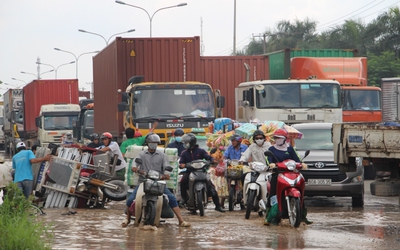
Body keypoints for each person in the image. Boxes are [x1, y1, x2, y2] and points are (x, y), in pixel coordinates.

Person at [121, 133, 191, 228]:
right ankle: (128, 219)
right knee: (130, 199)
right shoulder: (141, 154)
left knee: (172, 199)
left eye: (155, 143)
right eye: (152, 142)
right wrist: (136, 169)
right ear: (147, 143)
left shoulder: (162, 155)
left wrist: (166, 174)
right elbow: (135, 164)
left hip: (158, 181)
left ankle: (181, 220)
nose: (154, 144)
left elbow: (167, 167)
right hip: (143, 181)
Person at [265, 128, 312, 225]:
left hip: (291, 173)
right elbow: (268, 160)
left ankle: (302, 215)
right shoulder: (271, 149)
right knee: (273, 193)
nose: (278, 139)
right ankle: (269, 216)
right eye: (276, 138)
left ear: (284, 138)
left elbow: (297, 159)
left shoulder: (290, 148)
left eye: (280, 137)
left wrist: (302, 164)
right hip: (277, 173)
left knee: (302, 190)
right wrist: (271, 164)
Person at [179, 133, 225, 212]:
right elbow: (181, 163)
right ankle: (184, 198)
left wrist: (212, 160)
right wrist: (182, 165)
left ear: (192, 142)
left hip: (202, 171)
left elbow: (208, 157)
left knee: (212, 187)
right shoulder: (184, 153)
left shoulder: (200, 151)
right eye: (184, 143)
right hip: (190, 172)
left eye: (186, 143)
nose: (185, 145)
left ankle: (217, 205)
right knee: (182, 182)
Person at [220, 134, 248, 208]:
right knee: (224, 180)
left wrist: (245, 162)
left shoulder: (244, 147)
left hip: (242, 168)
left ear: (238, 141)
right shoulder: (229, 148)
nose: (233, 142)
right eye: (232, 141)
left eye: (234, 141)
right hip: (231, 168)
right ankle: (221, 202)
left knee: (245, 180)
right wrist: (223, 161)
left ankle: (245, 197)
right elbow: (224, 156)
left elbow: (249, 157)